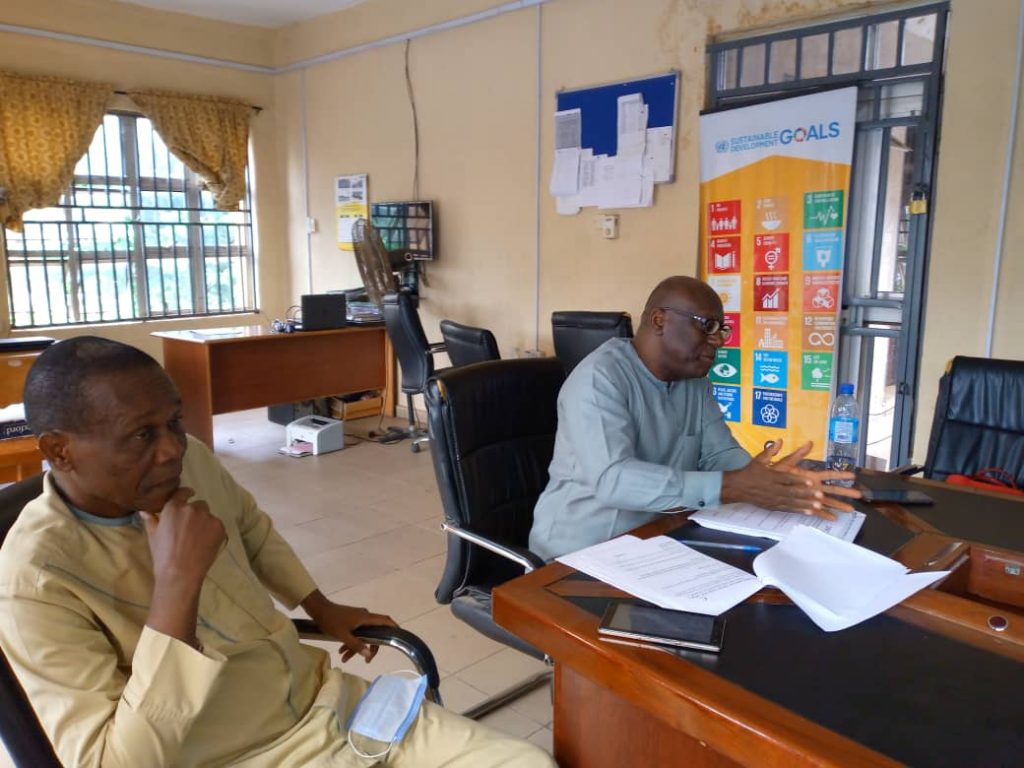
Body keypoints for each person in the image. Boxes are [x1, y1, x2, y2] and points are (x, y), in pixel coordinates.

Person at [0, 336, 553, 768]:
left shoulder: (191, 458)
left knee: (525, 760)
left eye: (173, 421)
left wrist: (320, 605)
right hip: (231, 753)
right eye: (141, 436)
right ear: (59, 451)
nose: (172, 450)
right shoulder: (35, 579)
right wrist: (176, 588)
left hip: (327, 707)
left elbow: (252, 527)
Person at [530, 276, 861, 561]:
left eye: (722, 329)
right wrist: (735, 485)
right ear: (660, 320)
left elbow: (720, 454)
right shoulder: (600, 379)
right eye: (707, 326)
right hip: (580, 550)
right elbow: (612, 480)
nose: (718, 340)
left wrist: (769, 480)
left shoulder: (694, 381)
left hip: (657, 537)